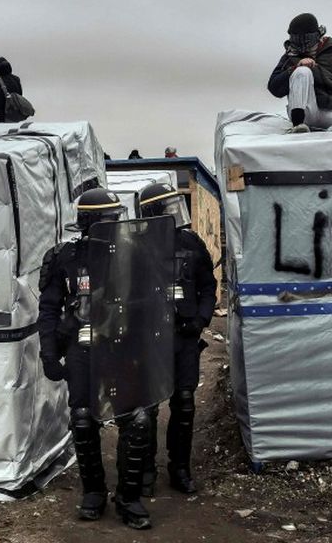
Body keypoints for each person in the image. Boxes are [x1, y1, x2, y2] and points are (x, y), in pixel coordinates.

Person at [37, 188, 155, 530]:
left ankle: (129, 498)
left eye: (116, 219)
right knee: (84, 419)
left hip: (122, 348)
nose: (114, 226)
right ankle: (93, 493)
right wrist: (48, 352)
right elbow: (48, 309)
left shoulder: (134, 255)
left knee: (137, 420)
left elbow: (152, 302)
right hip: (82, 349)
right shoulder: (65, 258)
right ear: (89, 223)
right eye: (107, 221)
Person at [138, 182, 216, 496]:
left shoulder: (191, 243)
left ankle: (179, 468)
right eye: (168, 208)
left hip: (185, 337)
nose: (175, 213)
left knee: (184, 404)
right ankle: (144, 469)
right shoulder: (135, 246)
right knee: (148, 408)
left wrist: (200, 319)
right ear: (153, 213)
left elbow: (208, 285)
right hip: (149, 340)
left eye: (176, 206)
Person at [267, 13, 332, 133]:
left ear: (317, 35)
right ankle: (298, 125)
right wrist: (294, 68)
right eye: (297, 39)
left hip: (331, 111)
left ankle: (331, 133)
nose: (301, 44)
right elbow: (274, 88)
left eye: (305, 39)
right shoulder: (289, 57)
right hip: (305, 111)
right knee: (303, 71)